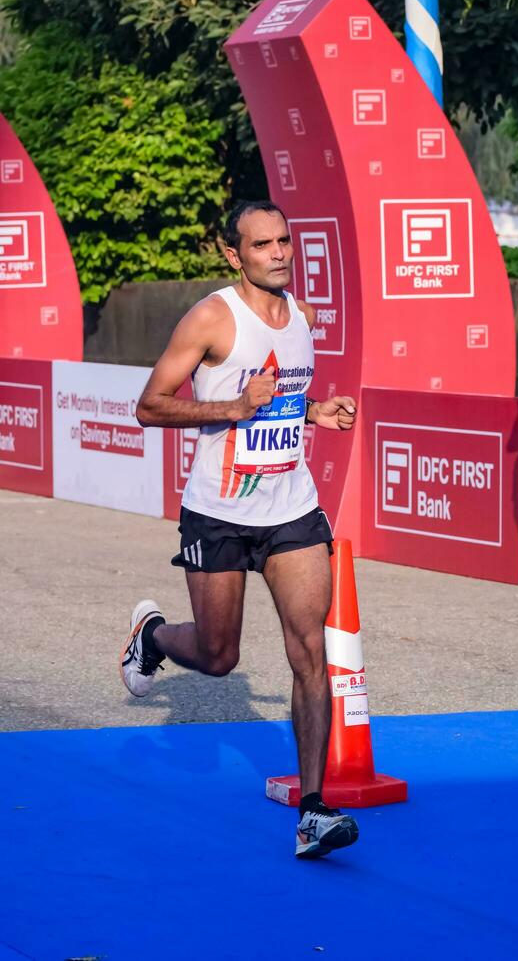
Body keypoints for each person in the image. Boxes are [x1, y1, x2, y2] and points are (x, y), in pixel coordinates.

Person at [119, 199, 360, 858]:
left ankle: (313, 811)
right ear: (235, 254)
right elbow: (148, 406)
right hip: (219, 511)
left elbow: (281, 397)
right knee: (220, 656)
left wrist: (316, 411)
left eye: (285, 240)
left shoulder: (304, 318)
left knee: (309, 650)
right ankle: (154, 635)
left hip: (291, 509)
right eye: (262, 245)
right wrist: (231, 404)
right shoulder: (213, 317)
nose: (279, 253)